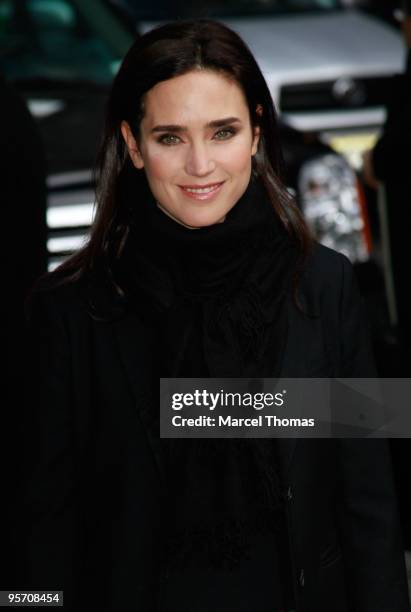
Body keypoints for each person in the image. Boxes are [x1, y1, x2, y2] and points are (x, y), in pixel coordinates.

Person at [19, 19, 410, 612]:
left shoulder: (326, 284)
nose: (200, 165)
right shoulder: (67, 311)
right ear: (132, 144)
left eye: (222, 131)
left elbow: (370, 504)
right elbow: (36, 531)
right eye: (171, 137)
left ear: (256, 131)